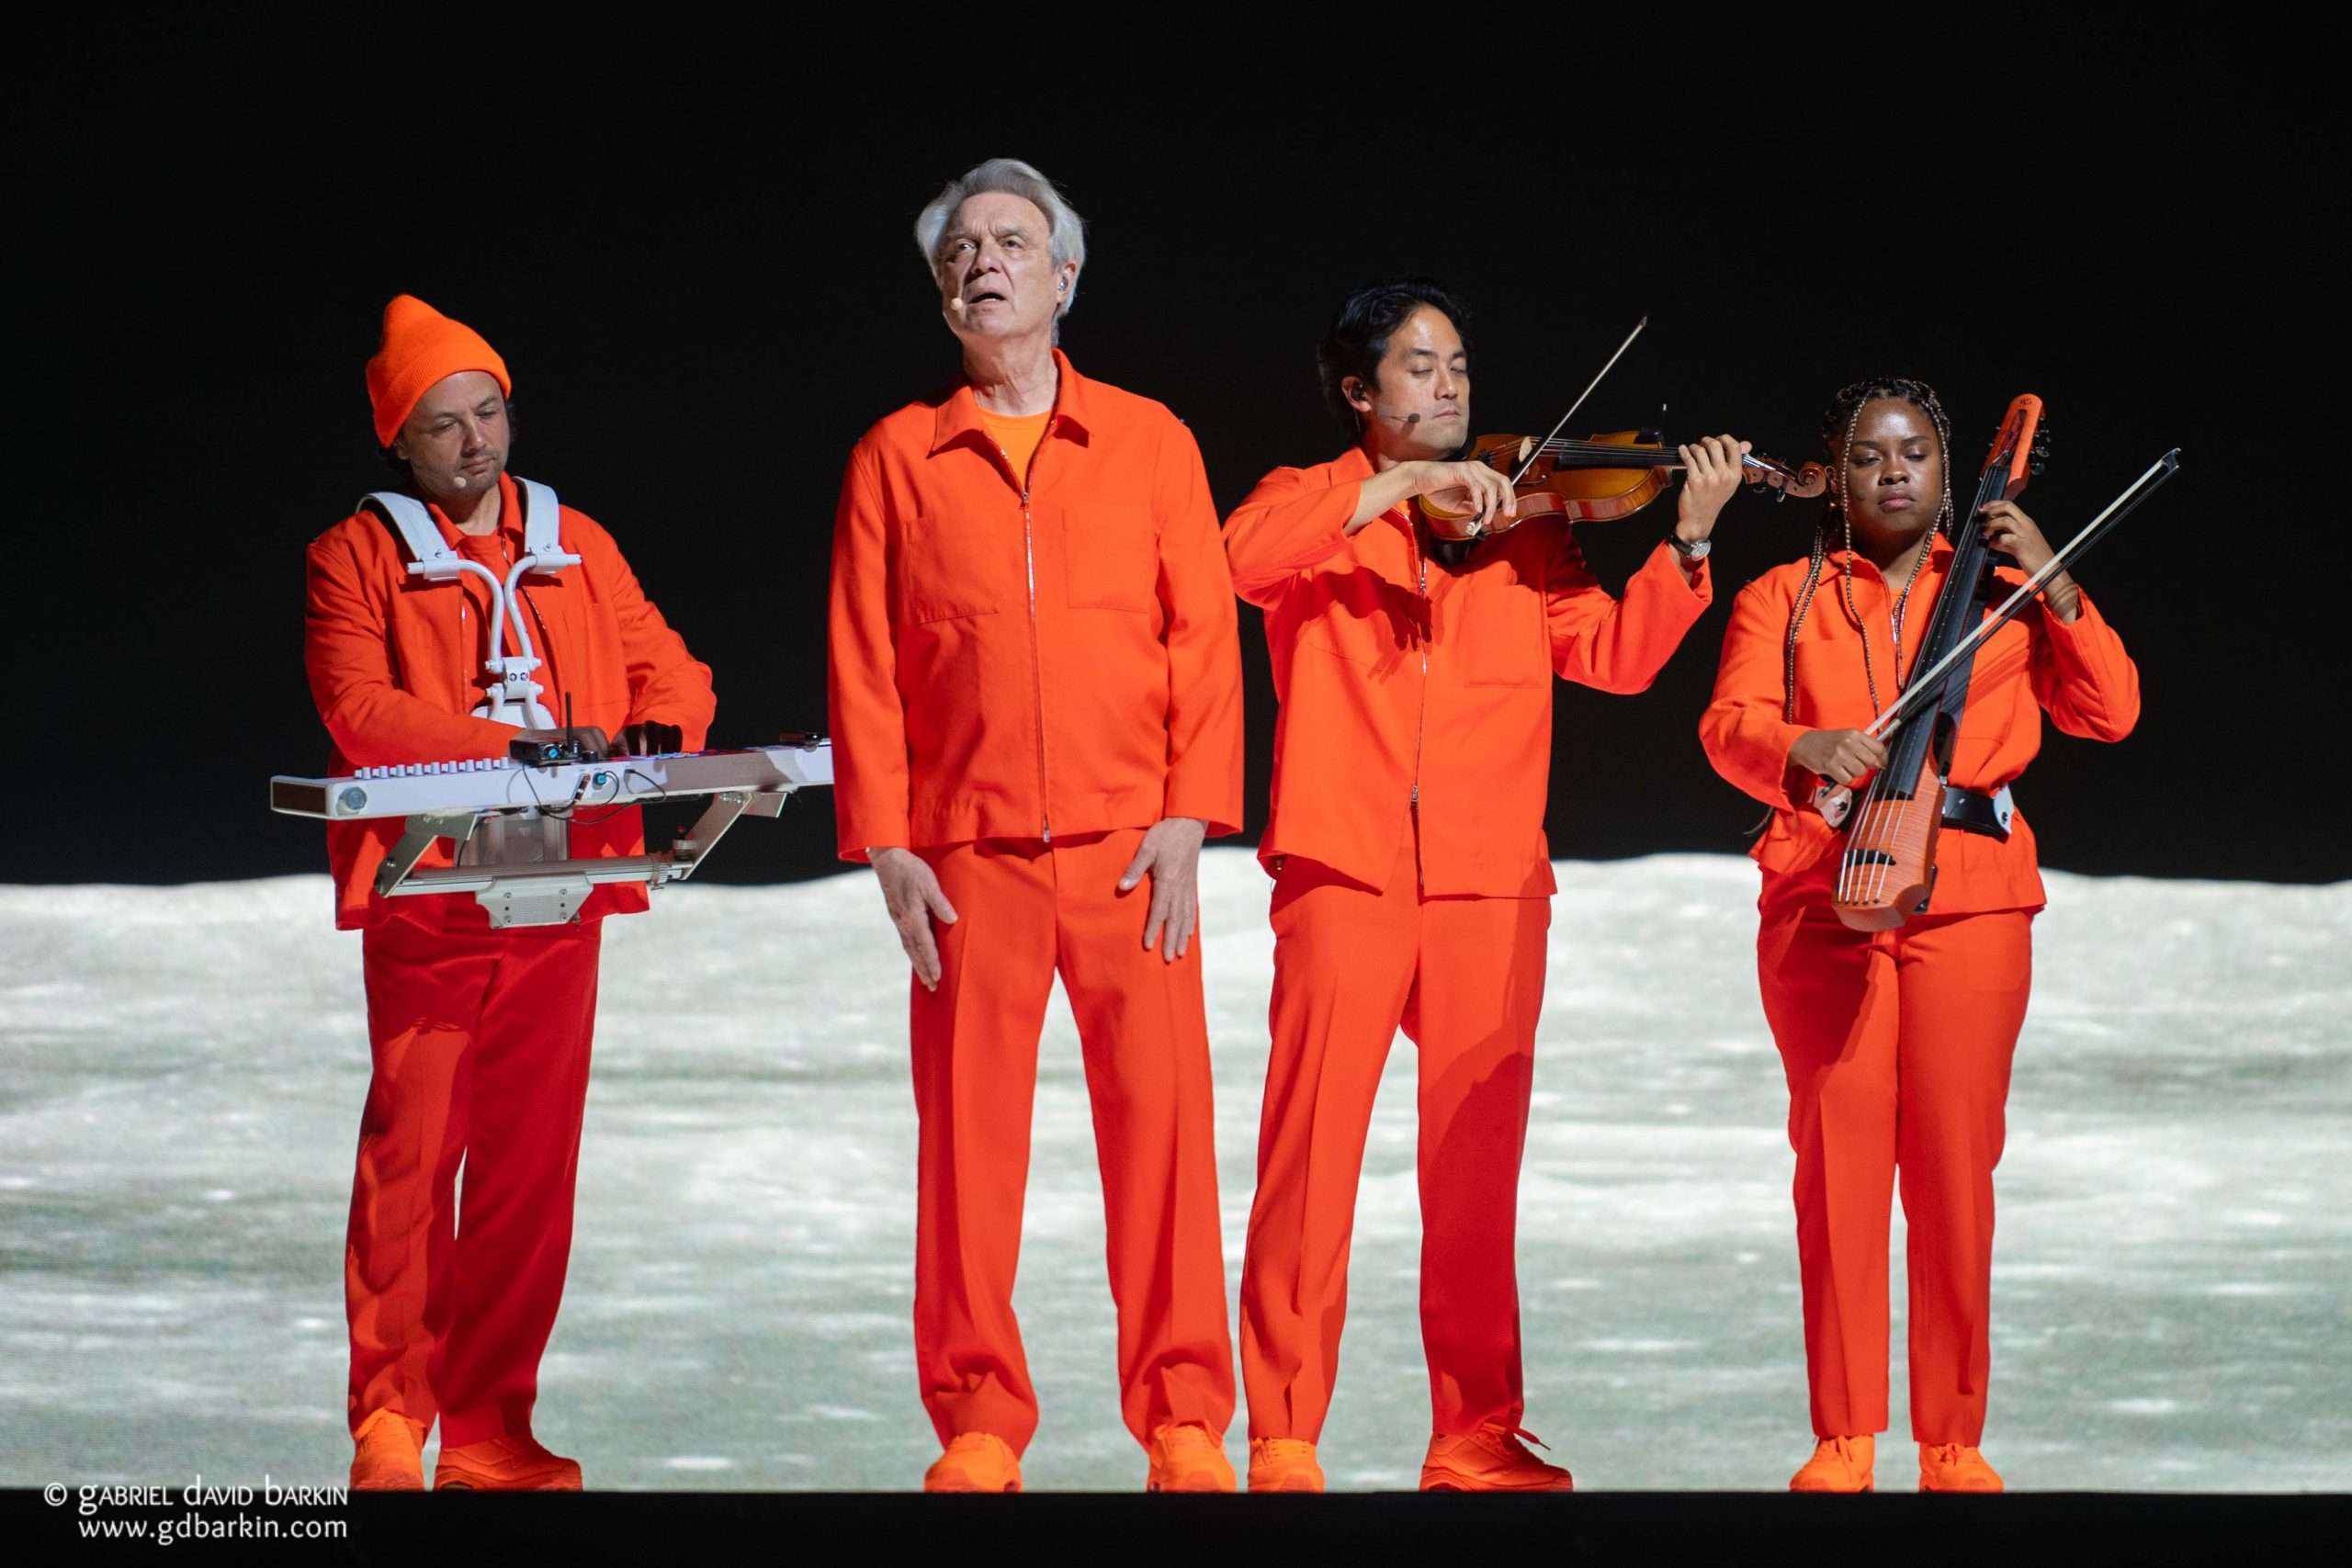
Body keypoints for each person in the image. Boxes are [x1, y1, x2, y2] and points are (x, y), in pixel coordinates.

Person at [1223, 279, 1750, 1491]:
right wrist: (1397, 488)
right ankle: (1284, 1432)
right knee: (1310, 1156)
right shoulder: (1308, 499)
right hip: (1345, 866)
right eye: (1420, 366)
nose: (1450, 384)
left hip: (1490, 880)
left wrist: (1687, 544)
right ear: (1359, 391)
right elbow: (1238, 561)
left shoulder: (1527, 526)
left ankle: (1473, 1433)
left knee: (1474, 1169)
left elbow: (1613, 658)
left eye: (1458, 364)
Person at [826, 159, 1246, 1493]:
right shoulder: (896, 456)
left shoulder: (1151, 440)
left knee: (1164, 1133)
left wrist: (1190, 814)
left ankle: (1183, 1413)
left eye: (1010, 243)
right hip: (966, 853)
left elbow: (1205, 636)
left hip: (1132, 851)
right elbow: (865, 661)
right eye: (959, 249)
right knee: (965, 1147)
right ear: (939, 288)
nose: (982, 264)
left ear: (1064, 277)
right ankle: (977, 1421)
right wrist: (887, 839)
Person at [1698, 376, 2139, 1493]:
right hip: (1823, 893)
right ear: (1834, 480)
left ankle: (1952, 1439)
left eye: (1914, 454)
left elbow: (2110, 712)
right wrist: (1802, 746)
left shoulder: (2003, 597)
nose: (1891, 471)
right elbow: (1728, 725)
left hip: (1971, 893)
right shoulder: (1781, 596)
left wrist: (2055, 581)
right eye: (1866, 456)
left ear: (1951, 476)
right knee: (1837, 1162)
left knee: (1953, 1164)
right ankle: (1843, 1435)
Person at [306, 295, 716, 1490]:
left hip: (561, 894)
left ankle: (490, 1426)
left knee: (530, 1176)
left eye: (488, 412)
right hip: (432, 896)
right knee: (412, 1159)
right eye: (444, 424)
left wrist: (661, 730)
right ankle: (391, 1419)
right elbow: (360, 710)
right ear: (399, 439)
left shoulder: (575, 539)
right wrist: (514, 747)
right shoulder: (353, 556)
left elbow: (669, 666)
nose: (475, 440)